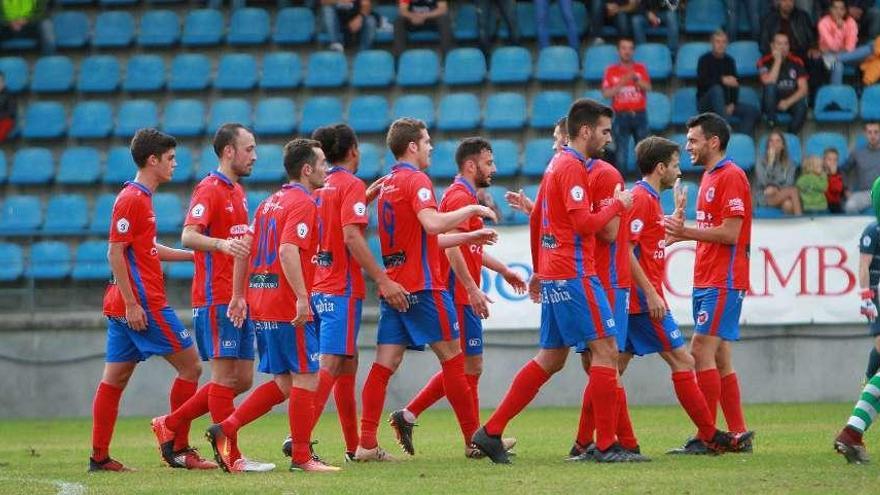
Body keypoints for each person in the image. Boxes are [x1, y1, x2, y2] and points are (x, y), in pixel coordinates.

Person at [470, 98, 640, 464]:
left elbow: (539, 222)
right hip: (575, 273)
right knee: (607, 351)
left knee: (551, 358)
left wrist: (539, 271)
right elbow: (586, 225)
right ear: (585, 131)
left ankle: (491, 432)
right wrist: (618, 204)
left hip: (556, 273)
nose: (609, 139)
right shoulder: (574, 166)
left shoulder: (554, 166)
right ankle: (608, 445)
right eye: (605, 131)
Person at [579, 136, 751, 458]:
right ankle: (711, 436)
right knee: (683, 359)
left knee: (609, 370)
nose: (678, 170)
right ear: (660, 168)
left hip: (635, 299)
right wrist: (650, 293)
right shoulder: (642, 199)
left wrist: (672, 225)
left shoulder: (650, 199)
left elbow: (647, 246)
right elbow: (627, 252)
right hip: (643, 302)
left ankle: (585, 440)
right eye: (674, 164)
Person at [354, 118, 498, 461]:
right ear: (413, 147)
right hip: (423, 287)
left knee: (384, 364)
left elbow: (428, 237)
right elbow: (433, 224)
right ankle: (473, 441)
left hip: (396, 287)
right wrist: (474, 208)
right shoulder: (416, 180)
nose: (432, 147)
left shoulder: (387, 183)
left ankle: (366, 444)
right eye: (427, 141)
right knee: (454, 360)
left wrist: (470, 235)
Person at [206, 138, 340, 473]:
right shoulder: (303, 204)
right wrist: (303, 297)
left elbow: (244, 247)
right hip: (286, 304)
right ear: (306, 169)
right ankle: (301, 458)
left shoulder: (269, 203)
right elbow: (287, 251)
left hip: (261, 301)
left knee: (285, 383)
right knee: (307, 379)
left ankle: (228, 427)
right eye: (323, 163)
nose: (327, 168)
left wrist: (239, 295)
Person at [388, 137, 527, 458]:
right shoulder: (458, 196)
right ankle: (474, 439)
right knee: (466, 365)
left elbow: (471, 248)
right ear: (470, 165)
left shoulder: (465, 195)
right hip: (455, 293)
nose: (494, 168)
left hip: (462, 292)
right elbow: (449, 245)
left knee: (468, 365)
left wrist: (504, 270)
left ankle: (421, 420)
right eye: (489, 163)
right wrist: (472, 288)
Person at [288, 124, 408, 463]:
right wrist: (383, 279)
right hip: (341, 289)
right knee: (332, 362)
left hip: (316, 286)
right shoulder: (350, 185)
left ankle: (360, 447)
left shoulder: (319, 187)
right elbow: (352, 238)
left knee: (346, 364)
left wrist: (364, 198)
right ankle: (298, 438)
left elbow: (326, 222)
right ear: (353, 150)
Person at [89, 128, 202, 472]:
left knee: (114, 379)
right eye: (170, 159)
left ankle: (99, 457)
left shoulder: (140, 198)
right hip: (144, 304)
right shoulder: (132, 198)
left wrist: (195, 256)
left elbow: (147, 248)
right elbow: (115, 252)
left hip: (124, 304)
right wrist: (133, 302)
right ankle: (177, 446)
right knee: (192, 367)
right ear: (152, 160)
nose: (174, 164)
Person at [150, 124, 256, 470]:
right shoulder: (209, 189)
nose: (254, 156)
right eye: (248, 149)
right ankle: (232, 456)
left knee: (243, 380)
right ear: (229, 151)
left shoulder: (238, 192)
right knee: (224, 380)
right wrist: (221, 244)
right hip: (215, 298)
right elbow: (189, 236)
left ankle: (171, 422)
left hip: (236, 297)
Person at [664, 112, 754, 453]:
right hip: (707, 277)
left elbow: (731, 234)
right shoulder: (709, 177)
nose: (688, 146)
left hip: (724, 279)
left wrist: (684, 232)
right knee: (720, 356)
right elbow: (711, 229)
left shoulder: (731, 176)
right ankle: (738, 433)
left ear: (713, 142)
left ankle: (708, 438)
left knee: (700, 350)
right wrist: (681, 228)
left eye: (693, 140)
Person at [833, 218, 880, 464]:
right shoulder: (873, 231)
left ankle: (852, 433)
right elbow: (864, 265)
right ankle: (852, 433)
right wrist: (866, 296)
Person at [697, 30, 759, 134]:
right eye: (717, 41)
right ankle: (726, 133)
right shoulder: (704, 60)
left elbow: (735, 84)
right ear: (711, 43)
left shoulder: (730, 61)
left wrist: (732, 103)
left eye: (724, 42)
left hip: (726, 104)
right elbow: (702, 83)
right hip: (706, 104)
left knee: (752, 111)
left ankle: (741, 140)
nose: (721, 45)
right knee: (717, 90)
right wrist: (722, 80)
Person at [602, 38, 651, 171]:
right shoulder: (611, 70)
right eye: (624, 48)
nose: (627, 51)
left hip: (639, 114)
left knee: (643, 153)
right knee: (620, 153)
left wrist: (635, 79)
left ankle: (642, 187)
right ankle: (620, 186)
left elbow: (648, 87)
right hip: (620, 115)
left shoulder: (640, 68)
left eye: (630, 48)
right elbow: (606, 94)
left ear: (633, 51)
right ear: (619, 51)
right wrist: (621, 83)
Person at [758, 32, 809, 134]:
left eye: (786, 44)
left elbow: (804, 89)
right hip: (771, 101)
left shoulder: (796, 61)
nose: (783, 47)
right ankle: (772, 125)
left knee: (802, 106)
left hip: (790, 100)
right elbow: (769, 81)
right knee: (770, 87)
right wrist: (778, 61)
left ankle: (790, 135)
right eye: (779, 44)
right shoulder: (764, 61)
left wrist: (788, 102)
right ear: (772, 46)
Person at [819, 0, 875, 85]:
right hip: (828, 55)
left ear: (845, 11)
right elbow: (833, 46)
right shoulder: (823, 23)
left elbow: (850, 46)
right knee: (838, 65)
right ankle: (836, 95)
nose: (838, 12)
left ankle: (834, 59)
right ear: (830, 9)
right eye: (835, 8)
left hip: (845, 55)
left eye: (842, 9)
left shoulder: (851, 22)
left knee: (872, 46)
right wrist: (839, 29)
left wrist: (840, 53)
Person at [754, 130, 802, 215]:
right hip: (764, 196)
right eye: (771, 141)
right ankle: (802, 222)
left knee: (788, 205)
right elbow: (763, 182)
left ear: (782, 145)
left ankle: (788, 227)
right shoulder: (760, 161)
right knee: (793, 191)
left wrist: (776, 189)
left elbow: (789, 182)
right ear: (768, 145)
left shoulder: (790, 163)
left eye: (777, 141)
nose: (774, 144)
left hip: (781, 195)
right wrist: (770, 163)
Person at [845, 122, 880, 214]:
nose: (873, 135)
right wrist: (845, 189)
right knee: (850, 206)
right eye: (870, 132)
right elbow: (843, 170)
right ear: (865, 134)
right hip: (864, 193)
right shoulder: (857, 153)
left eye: (876, 132)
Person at [824, 148, 846, 213]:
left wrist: (833, 175)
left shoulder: (839, 174)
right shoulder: (819, 172)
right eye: (829, 159)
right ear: (824, 160)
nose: (832, 162)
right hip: (821, 202)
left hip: (834, 203)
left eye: (835, 160)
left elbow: (836, 189)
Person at [0, 72, 15, 143]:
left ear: (4, 83)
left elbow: (11, 112)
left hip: (5, 120)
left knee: (5, 124)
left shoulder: (9, 95)